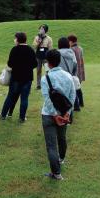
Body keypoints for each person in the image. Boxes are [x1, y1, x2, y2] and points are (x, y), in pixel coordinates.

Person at [40, 49, 76, 181]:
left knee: (51, 145)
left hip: (49, 114)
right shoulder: (68, 76)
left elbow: (47, 99)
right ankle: (61, 159)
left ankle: (56, 173)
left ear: (48, 63)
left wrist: (55, 115)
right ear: (59, 60)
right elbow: (72, 96)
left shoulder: (46, 78)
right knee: (62, 138)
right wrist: (67, 113)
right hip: (64, 113)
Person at [0, 32, 38, 122]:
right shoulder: (30, 49)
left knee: (10, 96)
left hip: (16, 77)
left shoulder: (14, 49)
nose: (14, 40)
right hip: (27, 77)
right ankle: (22, 117)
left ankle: (3, 115)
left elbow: (10, 63)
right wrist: (27, 67)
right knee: (24, 98)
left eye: (15, 38)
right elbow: (35, 64)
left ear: (18, 39)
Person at [57, 37, 79, 111]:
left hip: (59, 77)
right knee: (71, 94)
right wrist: (74, 75)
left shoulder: (57, 53)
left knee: (61, 95)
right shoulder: (72, 53)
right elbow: (75, 65)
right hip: (70, 76)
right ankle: (73, 109)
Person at [33, 24, 53, 89]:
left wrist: (50, 57)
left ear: (45, 30)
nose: (41, 30)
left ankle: (48, 84)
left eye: (42, 29)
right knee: (38, 70)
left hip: (46, 57)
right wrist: (39, 41)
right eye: (40, 29)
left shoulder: (49, 38)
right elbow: (34, 46)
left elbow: (50, 48)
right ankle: (39, 85)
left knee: (47, 70)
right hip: (38, 56)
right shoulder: (36, 37)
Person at [68, 34, 85, 108]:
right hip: (80, 71)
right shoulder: (80, 48)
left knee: (73, 89)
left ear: (71, 41)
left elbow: (72, 62)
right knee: (78, 88)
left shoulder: (71, 50)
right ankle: (81, 102)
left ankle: (77, 105)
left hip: (74, 72)